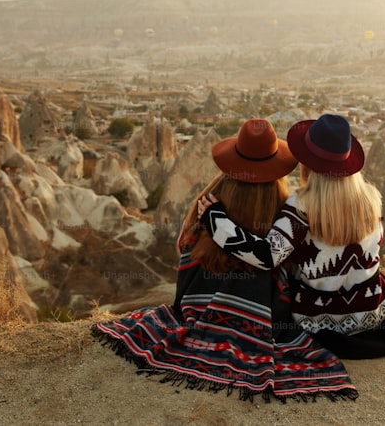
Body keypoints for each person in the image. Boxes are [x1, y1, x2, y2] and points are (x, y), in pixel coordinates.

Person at [92, 118, 357, 401]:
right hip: (261, 307)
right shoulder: (285, 208)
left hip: (197, 296)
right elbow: (287, 260)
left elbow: (185, 244)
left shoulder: (208, 202)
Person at [198, 114, 385, 359]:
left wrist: (215, 219)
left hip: (318, 320)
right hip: (372, 310)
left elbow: (265, 256)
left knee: (280, 273)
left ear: (307, 163)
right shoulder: (371, 198)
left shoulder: (302, 206)